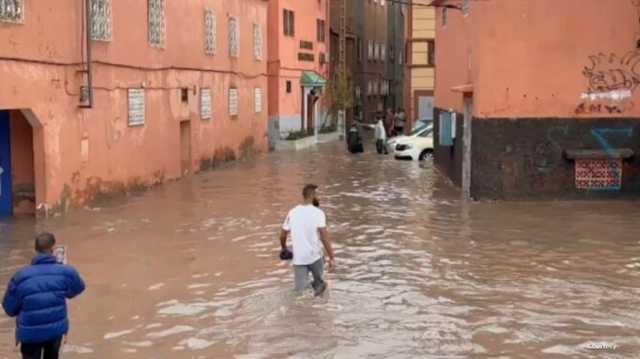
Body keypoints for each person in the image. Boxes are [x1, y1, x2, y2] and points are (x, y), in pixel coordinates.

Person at [2, 232, 85, 359]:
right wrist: (63, 293)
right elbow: (79, 288)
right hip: (55, 331)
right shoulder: (66, 271)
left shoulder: (20, 276)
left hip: (29, 334)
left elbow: (9, 308)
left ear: (36, 250)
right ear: (53, 249)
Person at [279, 184, 335, 296]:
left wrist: (284, 248)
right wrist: (332, 257)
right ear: (313, 195)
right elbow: (324, 237)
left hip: (299, 258)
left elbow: (283, 235)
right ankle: (320, 306)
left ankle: (305, 309)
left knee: (300, 294)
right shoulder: (318, 213)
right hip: (315, 256)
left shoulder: (292, 212)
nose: (319, 198)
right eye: (318, 195)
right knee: (320, 286)